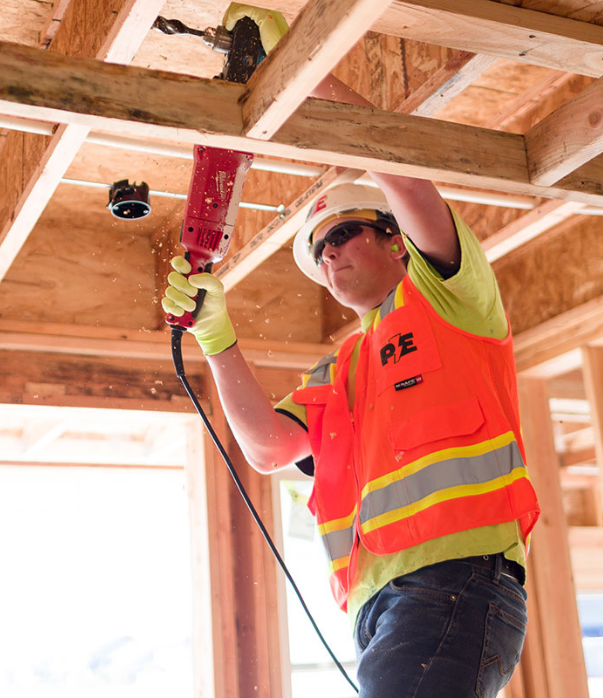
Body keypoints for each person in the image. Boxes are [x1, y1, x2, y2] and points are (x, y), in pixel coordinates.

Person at [162, 6, 541, 697]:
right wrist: (218, 340)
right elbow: (269, 449)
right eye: (321, 247)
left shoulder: (450, 299)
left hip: (457, 581)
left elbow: (402, 173)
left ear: (395, 239)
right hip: (379, 609)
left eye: (348, 235)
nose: (331, 254)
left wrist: (309, 80)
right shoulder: (338, 372)